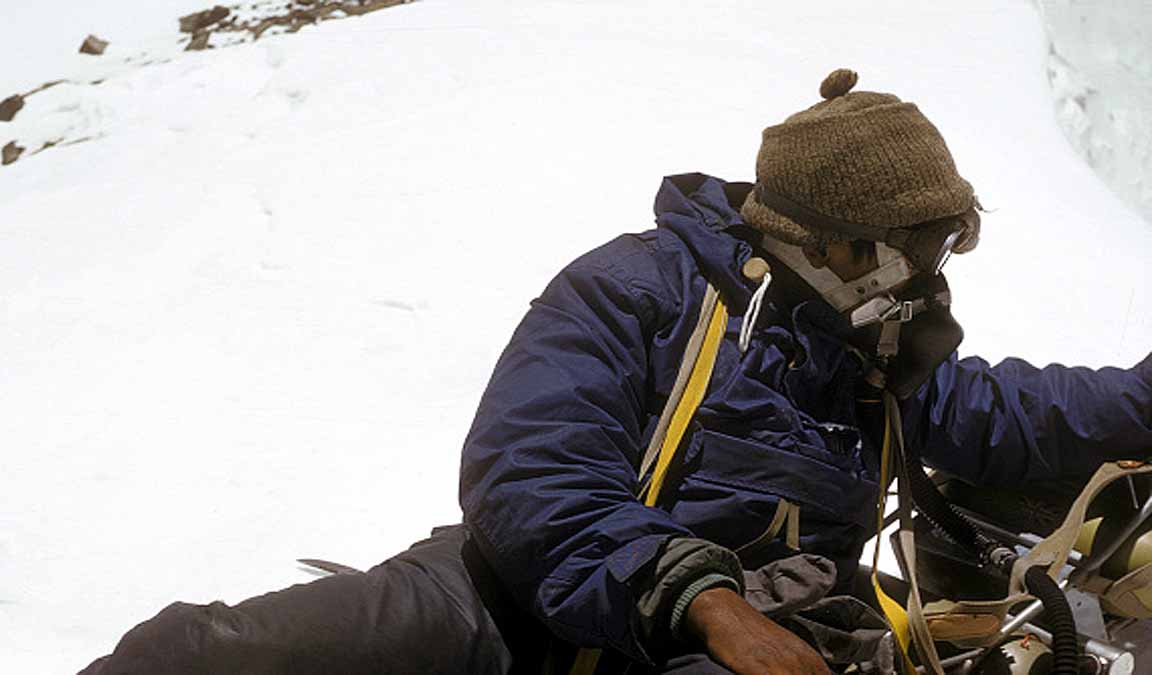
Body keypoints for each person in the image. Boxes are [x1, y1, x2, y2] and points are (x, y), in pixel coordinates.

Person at [79, 69, 1152, 675]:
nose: (925, 279)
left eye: (940, 252)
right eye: (910, 249)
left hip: (736, 640)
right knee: (202, 657)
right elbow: (529, 476)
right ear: (823, 238)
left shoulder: (873, 366)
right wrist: (700, 599)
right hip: (507, 606)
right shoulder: (639, 290)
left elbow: (1035, 413)